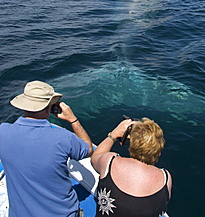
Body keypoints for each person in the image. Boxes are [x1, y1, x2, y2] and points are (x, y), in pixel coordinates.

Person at [0, 80, 93, 217]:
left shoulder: (3, 131)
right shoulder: (63, 138)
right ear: (49, 108)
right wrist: (72, 119)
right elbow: (88, 149)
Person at [91, 117, 172, 217]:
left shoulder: (109, 162)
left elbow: (94, 157)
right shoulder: (165, 178)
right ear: (158, 152)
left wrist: (114, 135)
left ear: (132, 144)